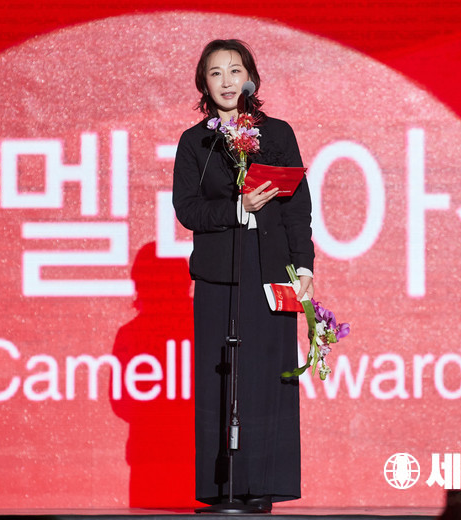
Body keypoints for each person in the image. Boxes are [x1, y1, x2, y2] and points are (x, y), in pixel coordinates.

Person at [172, 39, 315, 513]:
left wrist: (304, 266)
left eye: (235, 71)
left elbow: (297, 209)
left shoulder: (277, 134)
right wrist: (238, 207)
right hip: (219, 275)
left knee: (267, 375)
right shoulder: (197, 142)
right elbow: (187, 209)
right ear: (203, 84)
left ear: (251, 78)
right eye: (216, 73)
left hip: (271, 268)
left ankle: (262, 488)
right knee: (222, 376)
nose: (227, 81)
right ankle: (223, 488)